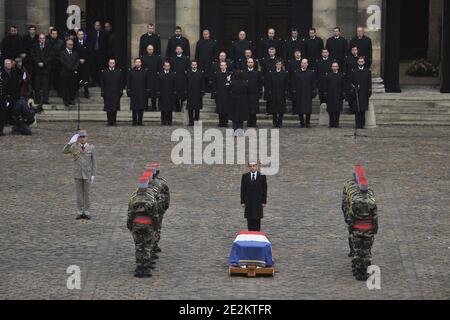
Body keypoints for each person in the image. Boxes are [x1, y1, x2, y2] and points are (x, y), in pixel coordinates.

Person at [342, 165, 378, 281]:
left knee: (358, 251)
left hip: (357, 227)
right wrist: (375, 229)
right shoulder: (372, 200)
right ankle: (365, 269)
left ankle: (358, 271)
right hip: (368, 228)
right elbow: (374, 217)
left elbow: (350, 213)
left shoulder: (355, 200)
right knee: (366, 251)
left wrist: (351, 225)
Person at [127, 175, 158, 278]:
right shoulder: (151, 198)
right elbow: (155, 215)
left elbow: (130, 214)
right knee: (147, 246)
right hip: (148, 224)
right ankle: (146, 267)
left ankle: (139, 267)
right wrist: (155, 226)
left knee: (139, 246)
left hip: (137, 224)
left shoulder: (133, 198)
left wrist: (130, 225)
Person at [63, 130, 96, 220]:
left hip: (87, 174)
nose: (82, 139)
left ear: (86, 138)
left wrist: (93, 174)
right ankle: (80, 211)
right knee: (79, 194)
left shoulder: (91, 147)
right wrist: (69, 143)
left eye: (84, 137)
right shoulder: (74, 146)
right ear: (78, 138)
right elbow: (64, 151)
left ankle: (87, 211)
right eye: (81, 137)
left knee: (87, 194)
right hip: (77, 173)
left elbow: (94, 162)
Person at [148, 161, 170, 254]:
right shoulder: (162, 183)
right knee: (156, 228)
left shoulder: (146, 184)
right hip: (158, 209)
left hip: (151, 210)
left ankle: (152, 247)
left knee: (151, 228)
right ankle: (154, 246)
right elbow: (167, 198)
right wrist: (164, 208)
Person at [240, 161, 267, 232]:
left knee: (257, 219)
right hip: (248, 201)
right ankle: (250, 234)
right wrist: (242, 201)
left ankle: (257, 235)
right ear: (249, 167)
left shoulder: (262, 176)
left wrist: (264, 202)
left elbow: (264, 190)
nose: (252, 167)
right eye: (251, 166)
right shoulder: (245, 176)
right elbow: (243, 189)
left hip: (258, 202)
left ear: (256, 166)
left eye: (254, 166)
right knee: (249, 219)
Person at [292, 59, 317, 128]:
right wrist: (294, 91)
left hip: (308, 93)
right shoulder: (296, 72)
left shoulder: (311, 72)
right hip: (299, 93)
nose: (303, 64)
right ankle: (302, 122)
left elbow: (313, 83)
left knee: (308, 109)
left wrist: (313, 91)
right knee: (300, 109)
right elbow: (294, 82)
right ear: (301, 64)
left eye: (305, 63)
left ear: (307, 64)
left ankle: (308, 122)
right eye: (302, 63)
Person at [349, 57, 372, 129]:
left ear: (364, 62)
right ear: (358, 62)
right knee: (357, 110)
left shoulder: (367, 71)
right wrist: (353, 89)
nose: (361, 63)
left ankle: (362, 123)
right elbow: (351, 82)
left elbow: (369, 82)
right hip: (356, 93)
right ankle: (357, 124)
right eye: (360, 61)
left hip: (364, 93)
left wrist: (369, 90)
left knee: (363, 110)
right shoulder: (354, 71)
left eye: (362, 62)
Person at [266, 60, 289, 128]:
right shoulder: (272, 73)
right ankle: (274, 122)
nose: (278, 65)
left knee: (281, 110)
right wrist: (269, 92)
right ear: (275, 65)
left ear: (281, 65)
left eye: (280, 64)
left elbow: (286, 84)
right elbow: (269, 83)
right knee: (274, 110)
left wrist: (286, 92)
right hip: (274, 93)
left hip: (282, 93)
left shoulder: (285, 73)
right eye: (277, 64)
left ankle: (280, 122)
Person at [100, 58, 123, 126]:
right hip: (107, 92)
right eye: (111, 63)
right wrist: (102, 91)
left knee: (115, 108)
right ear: (108, 63)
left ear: (115, 64)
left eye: (113, 63)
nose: (112, 64)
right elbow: (102, 83)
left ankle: (114, 121)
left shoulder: (118, 71)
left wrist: (121, 91)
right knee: (108, 108)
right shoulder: (104, 72)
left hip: (115, 92)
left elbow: (121, 82)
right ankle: (109, 121)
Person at [127, 58, 149, 126]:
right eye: (136, 62)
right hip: (134, 92)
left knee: (141, 107)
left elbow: (147, 82)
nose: (138, 63)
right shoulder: (131, 71)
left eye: (139, 62)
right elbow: (128, 82)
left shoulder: (144, 71)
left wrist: (147, 91)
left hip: (142, 92)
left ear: (141, 63)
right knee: (134, 108)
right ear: (134, 63)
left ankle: (140, 121)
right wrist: (129, 90)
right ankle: (134, 121)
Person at [323, 62, 346, 128]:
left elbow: (344, 85)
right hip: (330, 95)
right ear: (331, 68)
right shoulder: (328, 75)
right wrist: (325, 92)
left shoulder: (341, 75)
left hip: (338, 95)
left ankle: (337, 123)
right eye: (333, 66)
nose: (334, 68)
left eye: (336, 66)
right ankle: (331, 123)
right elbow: (325, 85)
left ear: (338, 67)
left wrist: (343, 93)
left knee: (337, 110)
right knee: (330, 110)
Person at [31, 34, 51, 106]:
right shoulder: (35, 45)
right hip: (37, 68)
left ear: (45, 39)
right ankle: (37, 99)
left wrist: (43, 63)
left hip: (45, 68)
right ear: (39, 39)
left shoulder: (48, 46)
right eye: (40, 38)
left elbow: (50, 56)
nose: (42, 39)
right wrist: (38, 62)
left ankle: (45, 99)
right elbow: (33, 55)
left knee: (46, 85)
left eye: (43, 38)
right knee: (37, 85)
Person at [141, 44, 162, 111]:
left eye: (151, 49)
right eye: (149, 49)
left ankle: (154, 107)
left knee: (154, 93)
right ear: (147, 50)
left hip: (154, 77)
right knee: (146, 93)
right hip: (146, 78)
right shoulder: (143, 57)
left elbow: (159, 68)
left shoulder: (157, 57)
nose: (150, 50)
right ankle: (145, 106)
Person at [156, 60, 177, 126]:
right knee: (163, 109)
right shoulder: (160, 74)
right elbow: (157, 84)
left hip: (170, 94)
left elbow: (175, 84)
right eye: (166, 66)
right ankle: (163, 121)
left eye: (168, 66)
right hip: (162, 94)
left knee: (170, 109)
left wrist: (174, 92)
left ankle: (169, 121)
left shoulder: (173, 74)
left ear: (170, 67)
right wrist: (158, 92)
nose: (167, 67)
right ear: (163, 66)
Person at [211, 60, 231, 127]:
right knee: (220, 109)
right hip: (219, 94)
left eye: (224, 65)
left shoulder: (229, 74)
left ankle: (225, 122)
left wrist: (229, 81)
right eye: (221, 65)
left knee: (226, 109)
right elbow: (215, 84)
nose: (222, 66)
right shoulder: (217, 74)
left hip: (227, 94)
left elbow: (231, 85)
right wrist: (215, 93)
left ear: (226, 66)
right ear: (220, 66)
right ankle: (221, 122)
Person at [243, 58, 262, 128]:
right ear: (247, 63)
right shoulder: (244, 72)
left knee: (254, 109)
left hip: (254, 93)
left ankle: (254, 123)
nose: (250, 63)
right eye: (249, 62)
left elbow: (260, 83)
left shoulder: (257, 72)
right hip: (246, 94)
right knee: (248, 109)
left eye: (251, 62)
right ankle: (248, 122)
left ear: (253, 63)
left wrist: (260, 92)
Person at [169, 46, 189, 112]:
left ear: (182, 50)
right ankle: (177, 108)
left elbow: (188, 68)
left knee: (183, 94)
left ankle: (182, 107)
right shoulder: (172, 58)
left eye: (179, 49)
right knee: (175, 94)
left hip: (183, 79)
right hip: (175, 79)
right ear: (175, 50)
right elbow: (171, 69)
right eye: (177, 49)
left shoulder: (186, 58)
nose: (178, 50)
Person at [60, 39, 79, 106]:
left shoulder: (75, 53)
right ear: (66, 45)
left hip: (73, 73)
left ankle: (71, 99)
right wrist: (70, 68)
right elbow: (63, 62)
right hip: (65, 73)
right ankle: (65, 100)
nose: (71, 46)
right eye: (69, 44)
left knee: (72, 87)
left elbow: (77, 62)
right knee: (65, 87)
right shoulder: (63, 53)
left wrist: (74, 68)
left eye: (72, 44)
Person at [186, 60, 205, 126]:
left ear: (197, 65)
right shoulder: (188, 72)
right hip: (190, 93)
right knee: (190, 108)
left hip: (198, 93)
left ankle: (196, 121)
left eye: (195, 65)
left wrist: (202, 91)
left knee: (197, 108)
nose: (194, 66)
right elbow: (185, 83)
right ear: (191, 65)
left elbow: (202, 83)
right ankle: (191, 121)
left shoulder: (200, 73)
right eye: (193, 65)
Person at [73, 30, 91, 98]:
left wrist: (84, 59)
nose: (81, 36)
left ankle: (86, 91)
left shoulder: (87, 43)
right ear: (77, 35)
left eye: (82, 34)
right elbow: (74, 53)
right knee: (77, 78)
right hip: (77, 64)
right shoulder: (74, 43)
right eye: (79, 34)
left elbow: (89, 53)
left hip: (85, 64)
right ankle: (75, 92)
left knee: (85, 78)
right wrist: (78, 59)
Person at [47, 28, 64, 98]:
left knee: (58, 79)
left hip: (58, 63)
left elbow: (62, 53)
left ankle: (59, 93)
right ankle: (47, 94)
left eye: (55, 34)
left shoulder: (61, 42)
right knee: (49, 79)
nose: (54, 35)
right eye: (53, 34)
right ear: (50, 34)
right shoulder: (47, 42)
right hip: (50, 63)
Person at [89, 21, 106, 85]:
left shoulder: (103, 33)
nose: (97, 26)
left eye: (98, 25)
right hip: (93, 53)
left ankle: (100, 82)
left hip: (101, 53)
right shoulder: (91, 33)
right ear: (94, 26)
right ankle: (94, 81)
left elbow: (105, 44)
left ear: (100, 26)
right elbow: (89, 42)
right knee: (93, 67)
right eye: (96, 25)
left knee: (100, 67)